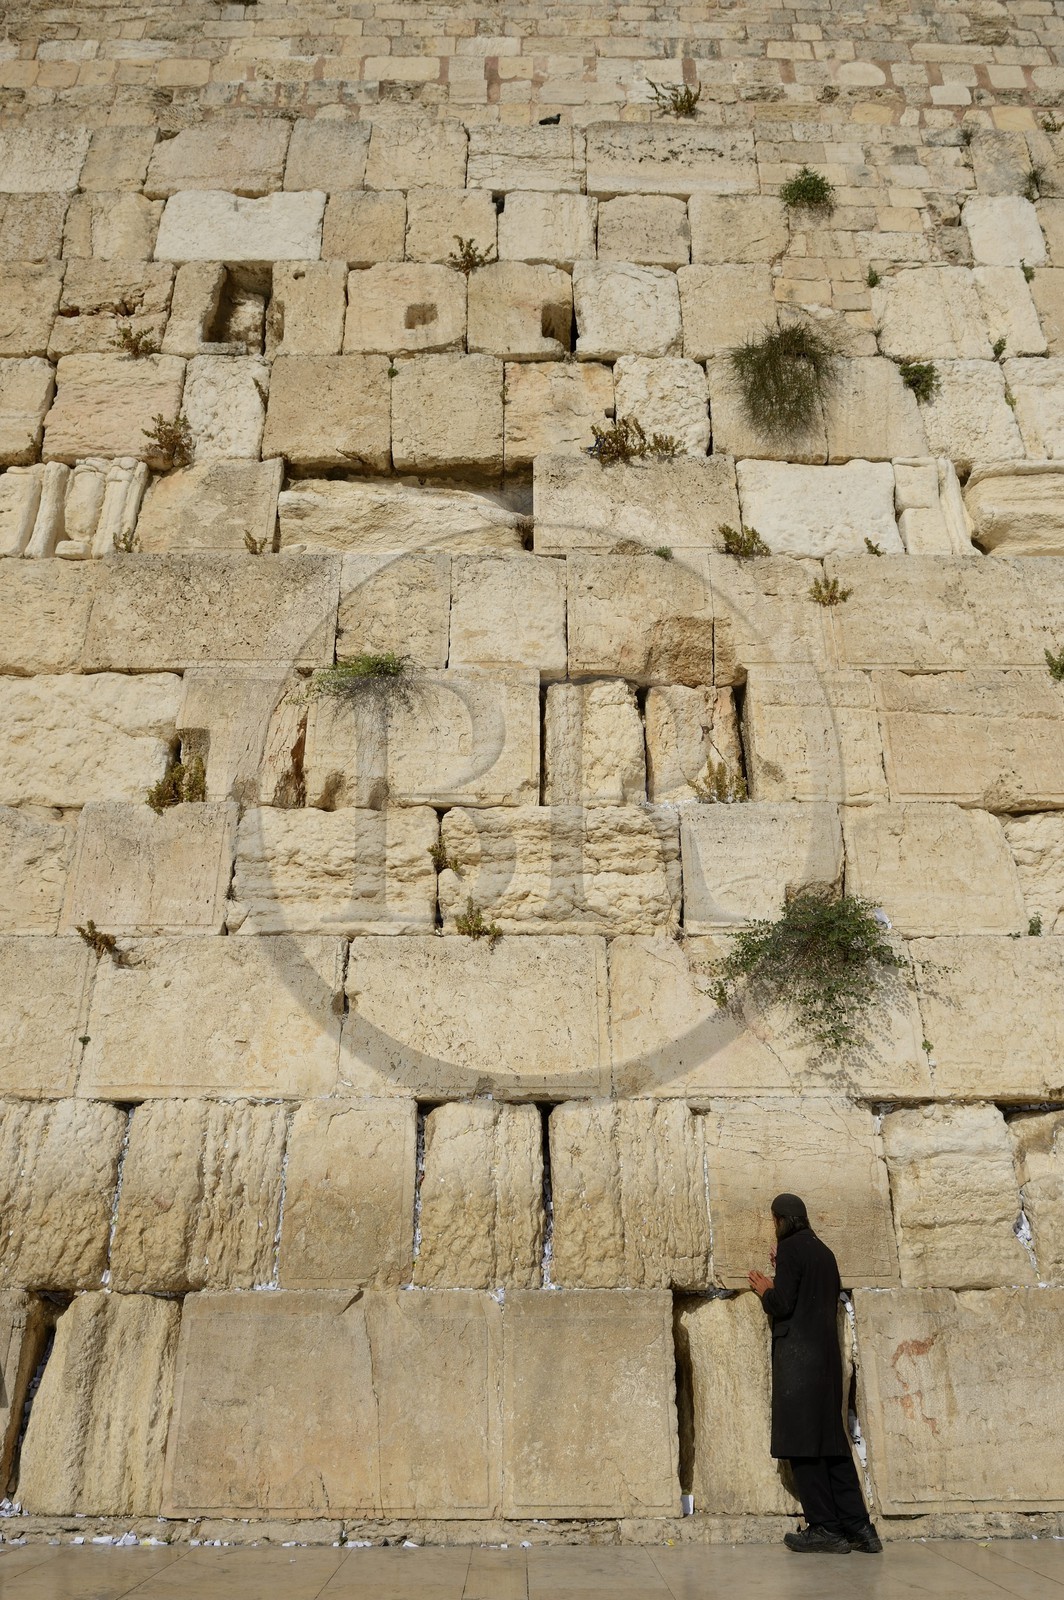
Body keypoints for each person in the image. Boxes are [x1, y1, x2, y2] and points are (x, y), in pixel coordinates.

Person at [747, 1193, 882, 1556]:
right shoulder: (824, 1253)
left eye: (774, 1222)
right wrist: (784, 1272)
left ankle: (824, 1527)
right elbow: (809, 1294)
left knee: (803, 1447)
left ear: (783, 1221)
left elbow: (783, 1303)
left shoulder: (791, 1248)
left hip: (799, 1363)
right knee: (832, 1446)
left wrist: (766, 1289)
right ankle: (859, 1528)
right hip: (825, 1363)